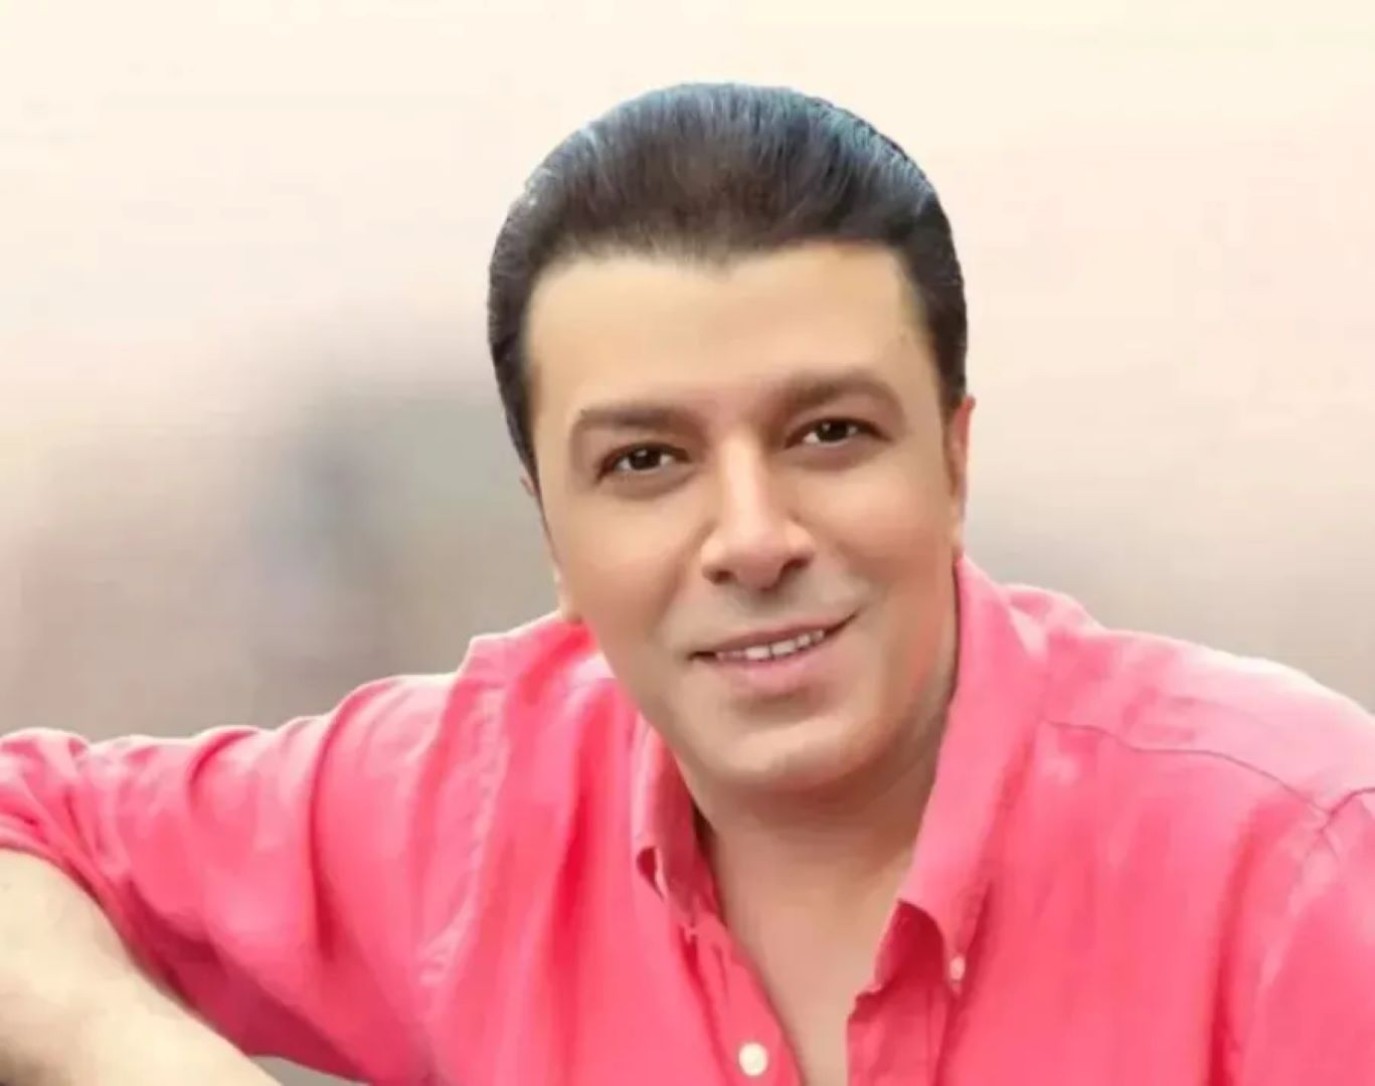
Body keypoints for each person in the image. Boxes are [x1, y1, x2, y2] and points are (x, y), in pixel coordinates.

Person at [0, 82, 1372, 1086]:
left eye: (828, 433)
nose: (752, 537)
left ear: (953, 460)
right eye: (646, 461)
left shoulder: (1296, 865)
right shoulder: (463, 814)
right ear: (554, 534)